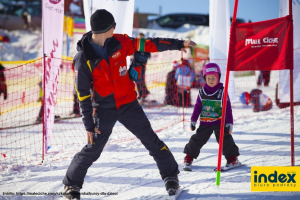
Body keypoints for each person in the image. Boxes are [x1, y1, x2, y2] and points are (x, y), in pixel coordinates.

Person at [62, 9, 196, 199]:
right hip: (104, 109)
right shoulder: (83, 58)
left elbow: (150, 43)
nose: (115, 28)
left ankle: (171, 176)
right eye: (112, 26)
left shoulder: (120, 41)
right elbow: (82, 94)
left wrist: (178, 44)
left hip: (128, 104)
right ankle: (71, 185)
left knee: (151, 141)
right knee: (93, 149)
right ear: (103, 29)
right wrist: (88, 125)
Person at [183, 63, 240, 171]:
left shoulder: (222, 92)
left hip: (219, 122)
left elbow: (227, 108)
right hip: (205, 122)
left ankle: (232, 158)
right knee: (197, 139)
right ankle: (189, 157)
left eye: (214, 78)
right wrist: (193, 120)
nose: (211, 80)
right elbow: (197, 107)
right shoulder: (202, 92)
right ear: (205, 78)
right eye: (208, 78)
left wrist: (229, 122)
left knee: (224, 139)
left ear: (218, 78)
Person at [129, 32, 151, 102]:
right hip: (135, 66)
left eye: (141, 37)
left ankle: (143, 95)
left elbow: (148, 55)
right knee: (137, 80)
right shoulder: (135, 44)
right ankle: (142, 94)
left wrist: (142, 56)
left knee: (141, 80)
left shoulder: (146, 46)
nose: (140, 39)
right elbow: (131, 53)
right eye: (139, 37)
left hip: (142, 66)